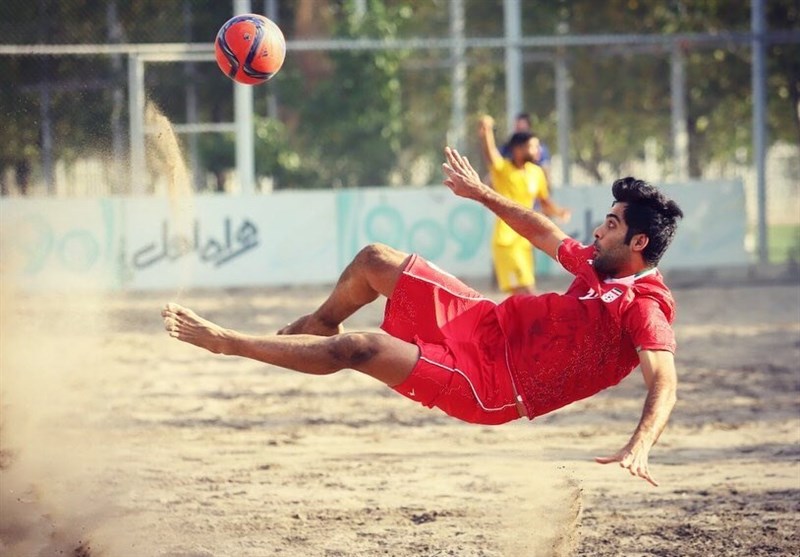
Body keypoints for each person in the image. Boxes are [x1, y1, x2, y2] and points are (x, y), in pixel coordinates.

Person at [162, 146, 683, 486]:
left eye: (611, 225)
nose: (597, 230)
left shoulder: (644, 306)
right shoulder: (599, 265)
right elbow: (544, 232)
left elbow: (664, 380)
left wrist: (640, 445)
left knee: (359, 349)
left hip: (494, 384)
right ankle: (321, 322)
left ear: (638, 242)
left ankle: (229, 341)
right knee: (373, 261)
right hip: (483, 322)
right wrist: (480, 192)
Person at [479, 114, 570, 294]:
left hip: (525, 239)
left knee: (520, 298)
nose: (537, 150)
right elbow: (491, 155)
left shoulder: (536, 172)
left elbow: (544, 201)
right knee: (527, 292)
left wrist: (558, 212)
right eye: (532, 146)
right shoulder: (504, 169)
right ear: (518, 149)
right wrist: (487, 131)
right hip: (506, 240)